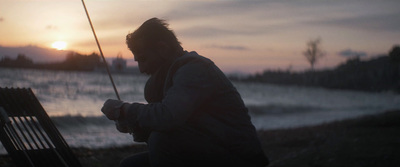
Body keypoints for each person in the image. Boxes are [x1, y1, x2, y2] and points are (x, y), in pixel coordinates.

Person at [101, 18, 269, 167]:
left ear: (162, 48)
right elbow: (175, 129)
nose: (141, 69)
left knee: (162, 142)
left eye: (143, 59)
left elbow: (168, 118)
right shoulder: (170, 77)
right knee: (129, 164)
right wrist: (132, 126)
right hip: (211, 149)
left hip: (241, 158)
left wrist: (124, 110)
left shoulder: (194, 69)